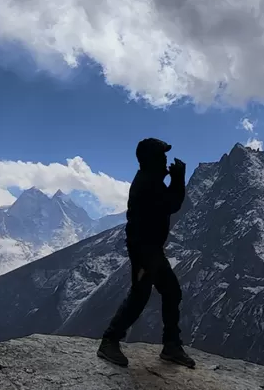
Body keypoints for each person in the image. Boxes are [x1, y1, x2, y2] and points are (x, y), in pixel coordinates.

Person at [96, 137, 196, 369]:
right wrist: (179, 179)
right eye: (162, 156)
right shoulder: (148, 184)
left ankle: (171, 344)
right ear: (152, 160)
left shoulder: (150, 180)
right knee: (140, 295)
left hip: (151, 250)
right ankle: (110, 340)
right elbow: (172, 204)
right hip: (144, 251)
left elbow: (168, 202)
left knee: (171, 291)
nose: (165, 161)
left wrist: (173, 179)